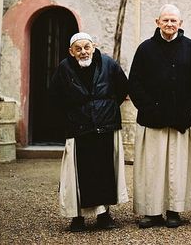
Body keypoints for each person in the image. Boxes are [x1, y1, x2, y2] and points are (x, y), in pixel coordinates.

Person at [128, 4, 191, 228]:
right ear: (157, 22)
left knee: (176, 168)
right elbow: (135, 83)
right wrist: (150, 108)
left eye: (174, 21)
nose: (170, 24)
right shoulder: (145, 49)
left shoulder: (190, 48)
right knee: (152, 167)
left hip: (179, 119)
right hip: (153, 119)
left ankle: (173, 211)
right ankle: (152, 212)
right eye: (165, 20)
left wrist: (188, 108)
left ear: (181, 24)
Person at [50, 32, 129, 232]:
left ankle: (104, 215)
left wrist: (106, 108)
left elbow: (122, 89)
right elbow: (55, 98)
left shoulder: (109, 64)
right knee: (76, 175)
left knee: (104, 172)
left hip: (104, 125)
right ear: (71, 51)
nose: (83, 52)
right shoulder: (64, 69)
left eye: (87, 47)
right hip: (78, 128)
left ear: (93, 47)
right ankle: (77, 218)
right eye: (78, 48)